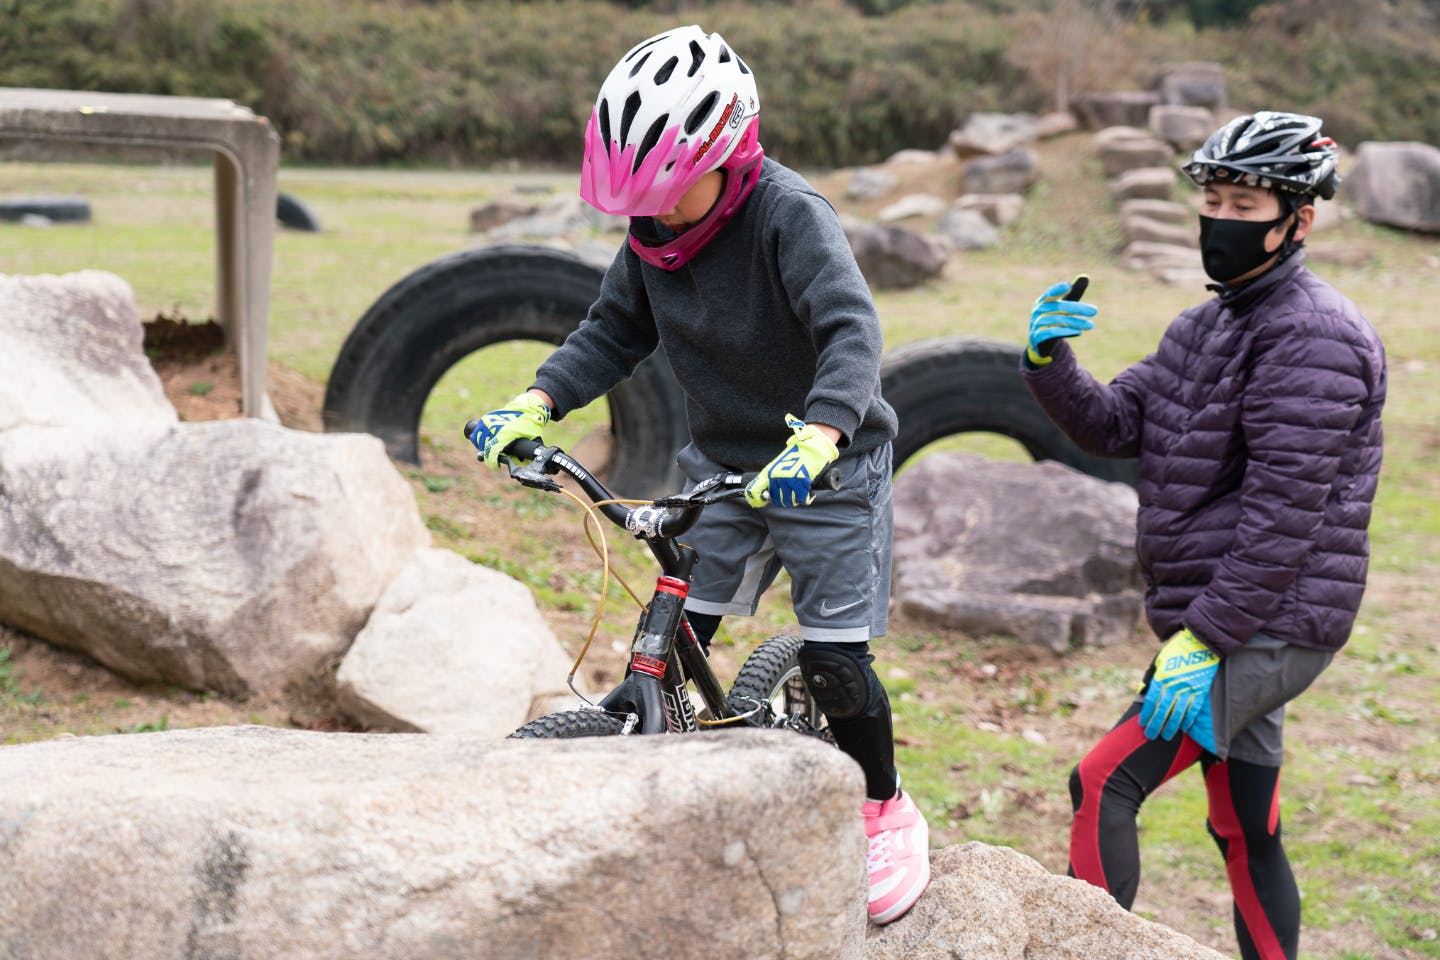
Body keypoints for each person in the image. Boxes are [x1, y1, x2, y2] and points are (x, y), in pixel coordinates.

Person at [466, 24, 929, 925]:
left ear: (732, 154)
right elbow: (611, 332)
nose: (656, 215)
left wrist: (823, 434)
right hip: (722, 462)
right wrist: (536, 403)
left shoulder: (789, 216)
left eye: (671, 193)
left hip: (825, 465)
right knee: (679, 628)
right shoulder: (651, 235)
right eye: (640, 199)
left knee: (835, 664)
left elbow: (850, 331)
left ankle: (882, 803)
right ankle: (649, 731)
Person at [1020, 111, 1387, 959]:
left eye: (1245, 202)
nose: (1221, 218)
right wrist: (1050, 366)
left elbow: (1285, 515)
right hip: (1236, 617)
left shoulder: (1314, 336)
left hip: (1269, 621)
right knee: (1242, 824)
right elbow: (1115, 426)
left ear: (1300, 218)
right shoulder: (1204, 326)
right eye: (1213, 198)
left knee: (1105, 778)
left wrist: (1206, 640)